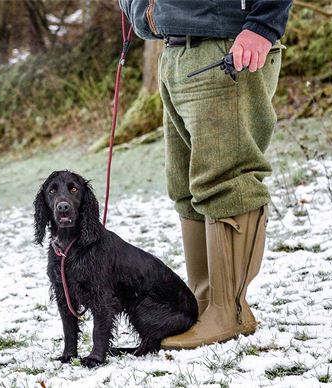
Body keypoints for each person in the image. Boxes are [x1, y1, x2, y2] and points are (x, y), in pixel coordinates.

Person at [118, 0, 292, 349]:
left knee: (227, 180)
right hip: (174, 47)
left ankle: (230, 311)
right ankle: (205, 302)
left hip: (224, 47)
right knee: (185, 187)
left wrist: (264, 25)